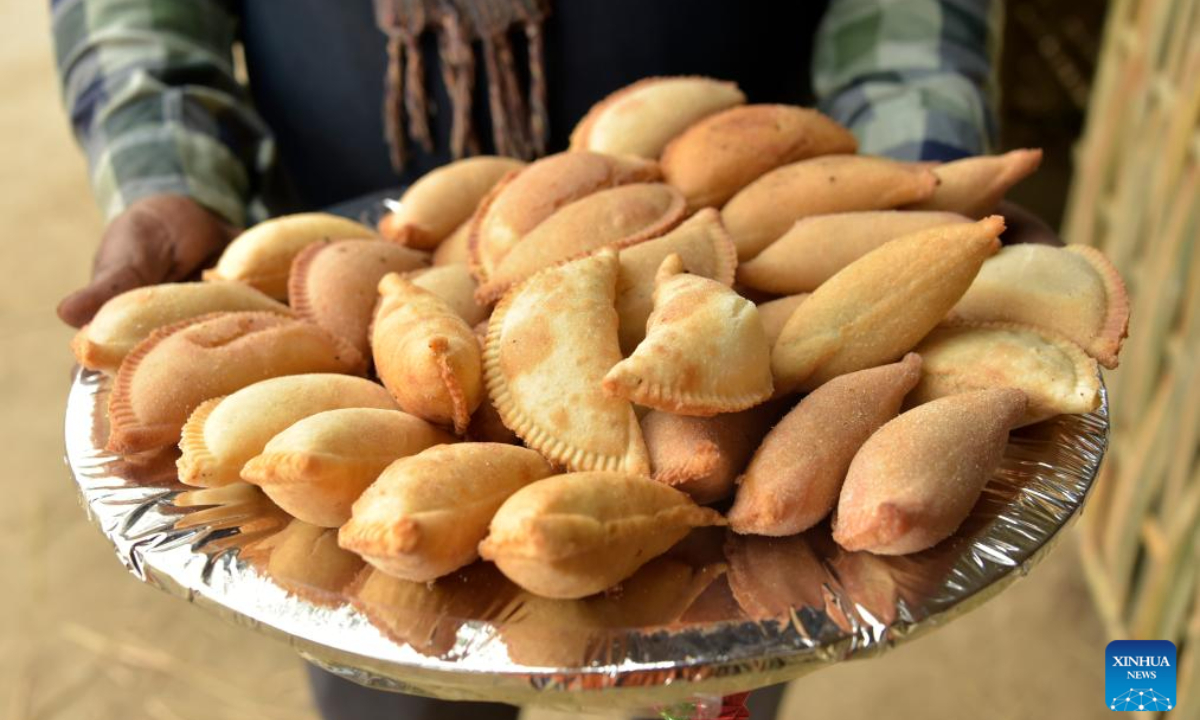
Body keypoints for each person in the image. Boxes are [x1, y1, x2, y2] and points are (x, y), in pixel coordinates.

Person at [51, 1, 1001, 717]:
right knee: (390, 672)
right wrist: (167, 164)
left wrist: (920, 174)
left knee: (711, 666)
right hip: (367, 230)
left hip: (733, 211)